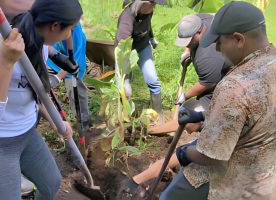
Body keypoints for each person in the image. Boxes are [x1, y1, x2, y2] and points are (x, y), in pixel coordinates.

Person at [161, 1, 276, 199]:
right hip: (268, 175)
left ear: (238, 39)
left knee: (168, 197)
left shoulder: (234, 86)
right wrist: (208, 118)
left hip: (234, 182)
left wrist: (184, 152)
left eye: (219, 43)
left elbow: (211, 156)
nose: (217, 50)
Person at [0, 1, 83, 199]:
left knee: (52, 183)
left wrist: (56, 123)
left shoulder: (38, 43)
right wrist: (6, 61)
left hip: (26, 135)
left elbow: (35, 93)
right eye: (71, 29)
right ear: (54, 26)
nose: (69, 36)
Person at [149, 13, 230, 134]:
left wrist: (185, 95)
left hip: (222, 89)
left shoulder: (208, 57)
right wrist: (187, 51)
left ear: (199, 32)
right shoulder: (200, 20)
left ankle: (151, 130)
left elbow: (206, 84)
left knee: (190, 115)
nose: (187, 44)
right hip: (214, 77)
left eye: (189, 41)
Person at [117, 99, 208, 199]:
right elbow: (177, 124)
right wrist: (149, 130)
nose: (184, 129)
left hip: (214, 182)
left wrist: (134, 181)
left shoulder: (205, 141)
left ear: (196, 119)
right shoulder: (206, 120)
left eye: (185, 125)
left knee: (166, 196)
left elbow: (170, 160)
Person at [115, 0, 166, 123]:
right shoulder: (127, 17)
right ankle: (125, 118)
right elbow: (123, 45)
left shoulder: (148, 11)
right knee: (124, 87)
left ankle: (158, 116)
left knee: (153, 79)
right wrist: (125, 66)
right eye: (152, 4)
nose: (154, 7)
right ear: (141, 3)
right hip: (125, 50)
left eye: (155, 4)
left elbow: (147, 25)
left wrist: (152, 38)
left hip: (143, 45)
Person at [47, 22, 91, 132]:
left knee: (76, 94)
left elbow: (73, 63)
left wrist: (57, 77)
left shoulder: (76, 35)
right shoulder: (48, 25)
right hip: (54, 54)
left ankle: (84, 124)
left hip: (74, 62)